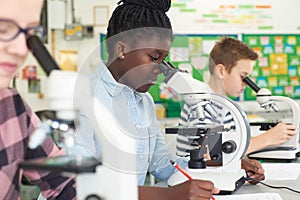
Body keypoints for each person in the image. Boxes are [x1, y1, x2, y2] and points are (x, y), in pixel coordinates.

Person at [74, 1, 265, 199]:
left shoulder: (144, 102)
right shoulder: (82, 99)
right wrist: (166, 196)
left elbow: (162, 162)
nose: (159, 68)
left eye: (164, 60)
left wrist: (225, 165)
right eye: (154, 57)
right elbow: (79, 185)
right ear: (122, 50)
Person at [0, 0, 76, 199]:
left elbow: (63, 183)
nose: (20, 49)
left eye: (30, 34)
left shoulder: (13, 107)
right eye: (2, 29)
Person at [176, 37, 296, 157]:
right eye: (243, 76)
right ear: (221, 71)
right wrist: (267, 139)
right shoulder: (201, 104)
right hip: (194, 175)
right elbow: (208, 154)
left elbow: (230, 150)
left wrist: (244, 164)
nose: (246, 83)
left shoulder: (227, 107)